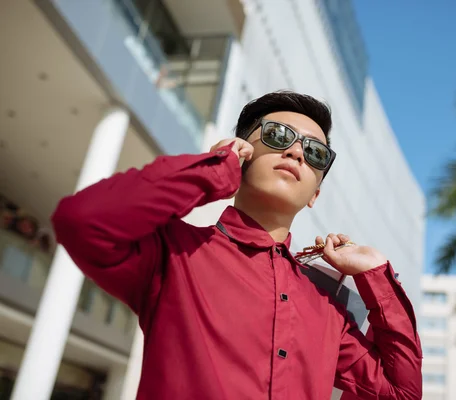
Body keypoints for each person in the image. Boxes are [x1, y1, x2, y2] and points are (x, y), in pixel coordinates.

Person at [52, 91, 422, 399]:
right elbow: (83, 220)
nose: (296, 153)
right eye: (278, 136)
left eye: (315, 153)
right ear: (243, 152)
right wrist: (216, 168)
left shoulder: (325, 305)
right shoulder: (176, 254)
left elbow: (401, 392)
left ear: (315, 194)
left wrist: (376, 274)